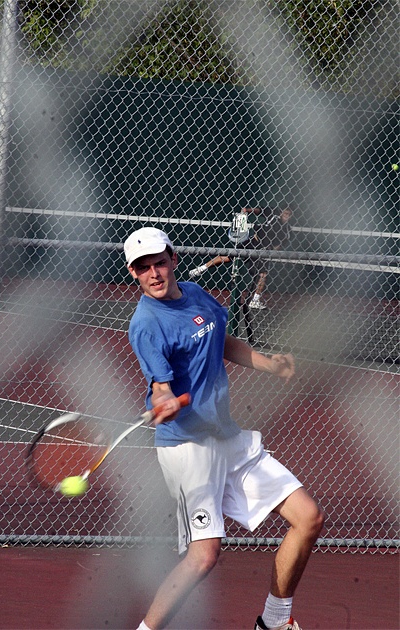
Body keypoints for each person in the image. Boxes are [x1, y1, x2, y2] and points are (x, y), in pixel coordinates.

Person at [124, 227, 324, 630]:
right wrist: (163, 400)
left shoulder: (197, 294)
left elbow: (221, 340)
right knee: (204, 556)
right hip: (188, 448)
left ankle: (272, 623)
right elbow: (161, 386)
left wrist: (268, 363)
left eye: (159, 262)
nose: (154, 274)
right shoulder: (146, 324)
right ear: (133, 273)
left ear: (173, 259)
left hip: (226, 436)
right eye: (142, 268)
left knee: (308, 518)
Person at [189, 207, 293, 310]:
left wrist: (271, 250)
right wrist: (247, 210)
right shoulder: (273, 216)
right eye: (284, 213)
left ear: (291, 215)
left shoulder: (287, 230)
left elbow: (279, 245)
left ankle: (255, 301)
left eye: (288, 214)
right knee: (228, 258)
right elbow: (260, 211)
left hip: (263, 251)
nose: (285, 216)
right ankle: (200, 269)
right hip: (253, 243)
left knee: (263, 275)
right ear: (280, 213)